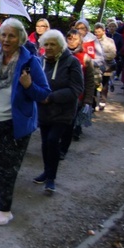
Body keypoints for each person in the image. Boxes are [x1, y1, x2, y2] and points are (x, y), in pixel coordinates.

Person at [0, 19, 51, 225]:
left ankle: (5, 210)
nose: (6, 39)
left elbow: (44, 94)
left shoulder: (30, 62)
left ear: (20, 39)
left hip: (15, 125)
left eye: (11, 35)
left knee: (7, 167)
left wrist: (29, 85)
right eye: (3, 35)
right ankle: (5, 187)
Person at [33, 30, 83, 193]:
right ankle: (47, 172)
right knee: (45, 142)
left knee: (53, 140)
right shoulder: (39, 62)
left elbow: (76, 88)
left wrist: (51, 97)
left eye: (52, 44)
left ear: (60, 45)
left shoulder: (72, 62)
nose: (48, 47)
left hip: (63, 111)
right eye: (46, 44)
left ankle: (51, 179)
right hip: (43, 110)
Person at [59, 30, 95, 157]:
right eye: (69, 38)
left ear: (80, 40)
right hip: (59, 95)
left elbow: (90, 81)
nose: (71, 41)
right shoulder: (59, 55)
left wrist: (88, 100)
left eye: (75, 38)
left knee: (69, 125)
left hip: (76, 97)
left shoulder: (85, 58)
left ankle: (63, 149)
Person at [93, 22, 117, 110]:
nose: (97, 34)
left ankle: (102, 101)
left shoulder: (110, 41)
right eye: (95, 32)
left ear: (103, 31)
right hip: (95, 66)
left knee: (104, 83)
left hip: (107, 66)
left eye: (99, 31)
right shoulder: (92, 41)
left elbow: (113, 53)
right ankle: (93, 102)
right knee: (94, 84)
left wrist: (100, 56)